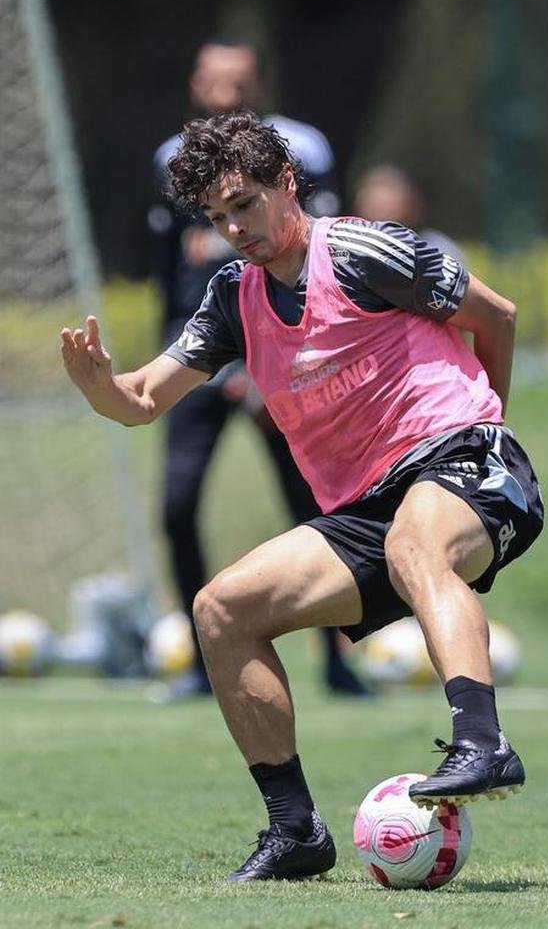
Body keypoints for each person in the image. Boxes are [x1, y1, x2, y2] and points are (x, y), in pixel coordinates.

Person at [61, 112, 544, 883]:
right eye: (218, 218)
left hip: (463, 459)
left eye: (244, 203)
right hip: (366, 509)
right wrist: (100, 389)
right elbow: (145, 398)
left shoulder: (361, 249)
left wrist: (488, 428)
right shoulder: (233, 298)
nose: (235, 228)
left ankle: (483, 742)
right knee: (222, 611)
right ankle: (295, 831)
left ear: (287, 183)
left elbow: (497, 317)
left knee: (414, 543)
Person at [149, 37, 365, 698]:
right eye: (214, 84)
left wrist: (286, 360)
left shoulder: (305, 148)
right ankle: (201, 658)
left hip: (286, 357)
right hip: (202, 358)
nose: (226, 95)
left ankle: (338, 660)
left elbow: (319, 261)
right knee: (177, 506)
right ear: (195, 86)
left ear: (258, 87)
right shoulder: (169, 162)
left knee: (317, 507)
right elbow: (169, 275)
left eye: (238, 84)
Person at [353, 163, 465, 262]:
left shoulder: (437, 250)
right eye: (373, 201)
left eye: (389, 199)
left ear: (411, 203)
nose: (380, 207)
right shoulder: (347, 248)